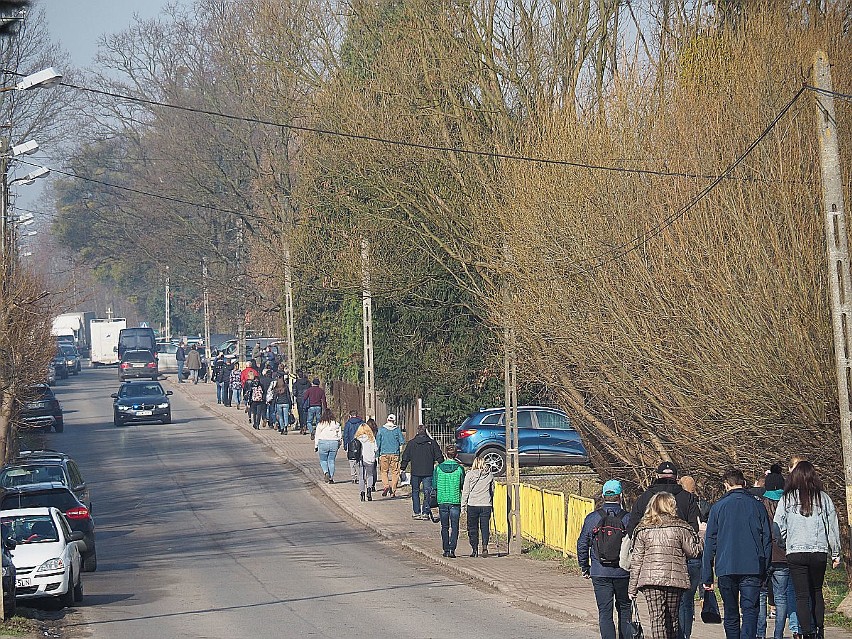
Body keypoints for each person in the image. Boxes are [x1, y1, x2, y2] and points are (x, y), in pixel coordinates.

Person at [702, 469, 772, 639]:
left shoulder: (718, 507)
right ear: (744, 483)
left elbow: (710, 541)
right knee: (750, 610)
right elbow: (767, 539)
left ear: (726, 484)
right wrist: (766, 569)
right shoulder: (757, 505)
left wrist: (707, 576)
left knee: (731, 611)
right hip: (752, 567)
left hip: (726, 566)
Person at [774, 461, 841, 639]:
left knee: (801, 595)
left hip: (795, 552)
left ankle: (806, 633)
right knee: (816, 590)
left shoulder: (787, 499)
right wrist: (835, 553)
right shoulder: (823, 498)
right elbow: (832, 527)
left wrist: (785, 542)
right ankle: (819, 629)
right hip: (818, 551)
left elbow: (777, 526)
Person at [629, 492, 703, 639]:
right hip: (675, 579)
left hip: (650, 580)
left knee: (657, 619)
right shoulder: (681, 527)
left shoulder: (643, 529)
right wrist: (701, 534)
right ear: (671, 506)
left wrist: (632, 588)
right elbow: (694, 552)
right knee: (672, 619)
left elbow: (636, 560)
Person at [578, 480, 633, 639]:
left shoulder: (592, 518)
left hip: (599, 572)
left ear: (603, 496)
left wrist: (585, 567)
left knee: (604, 612)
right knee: (625, 609)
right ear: (620, 496)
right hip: (623, 572)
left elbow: (582, 544)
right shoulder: (628, 519)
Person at [757, 466, 800, 639]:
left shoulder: (759, 504)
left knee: (761, 596)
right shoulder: (790, 503)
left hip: (764, 556)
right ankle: (778, 634)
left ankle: (760, 633)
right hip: (783, 556)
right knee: (781, 598)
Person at [628, 461, 700, 536]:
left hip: (650, 543)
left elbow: (633, 527)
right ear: (676, 477)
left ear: (657, 476)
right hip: (680, 542)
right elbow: (694, 526)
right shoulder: (687, 498)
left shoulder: (644, 497)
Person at [677, 475, 707, 639]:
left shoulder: (674, 501)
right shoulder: (700, 504)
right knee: (687, 601)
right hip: (695, 555)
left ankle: (680, 632)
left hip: (679, 556)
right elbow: (699, 529)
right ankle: (686, 634)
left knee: (679, 601)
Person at [401, 425, 444, 519]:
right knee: (427, 492)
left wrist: (403, 467)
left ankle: (416, 512)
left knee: (415, 491)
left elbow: (405, 456)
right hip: (428, 471)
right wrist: (441, 465)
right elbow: (439, 456)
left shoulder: (412, 443)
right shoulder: (432, 443)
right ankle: (426, 512)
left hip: (415, 471)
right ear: (425, 432)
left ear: (417, 432)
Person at [433, 443, 465, 558]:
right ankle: (452, 549)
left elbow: (434, 485)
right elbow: (462, 484)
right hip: (455, 499)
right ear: (456, 454)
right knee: (455, 526)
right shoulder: (460, 469)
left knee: (444, 527)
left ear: (446, 454)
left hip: (442, 499)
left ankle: (445, 548)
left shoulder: (438, 469)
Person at [461, 456, 494, 558]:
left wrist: (463, 505)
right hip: (486, 504)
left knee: (472, 528)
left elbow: (465, 491)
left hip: (473, 504)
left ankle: (474, 549)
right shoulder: (490, 475)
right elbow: (492, 490)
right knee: (485, 527)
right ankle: (484, 547)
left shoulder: (470, 475)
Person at [375, 414, 405, 498]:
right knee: (395, 472)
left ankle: (386, 485)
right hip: (395, 454)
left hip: (384, 454)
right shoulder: (397, 430)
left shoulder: (381, 430)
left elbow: (378, 443)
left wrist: (377, 455)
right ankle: (393, 490)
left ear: (387, 420)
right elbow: (402, 441)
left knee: (384, 471)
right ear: (394, 421)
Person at [314, 408, 341, 483]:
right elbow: (339, 435)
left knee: (323, 460)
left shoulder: (321, 424)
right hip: (334, 442)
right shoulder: (336, 424)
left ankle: (326, 472)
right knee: (331, 460)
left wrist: (316, 446)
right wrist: (339, 443)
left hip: (323, 442)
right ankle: (331, 478)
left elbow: (317, 435)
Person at [354, 422, 378, 501]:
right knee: (370, 475)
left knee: (361, 477)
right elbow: (376, 449)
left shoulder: (358, 438)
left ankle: (362, 494)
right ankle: (369, 490)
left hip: (361, 459)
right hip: (370, 459)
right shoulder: (372, 438)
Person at [342, 411, 365, 484]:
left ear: (350, 415)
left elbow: (345, 435)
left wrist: (345, 445)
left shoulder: (348, 424)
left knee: (352, 461)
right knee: (360, 461)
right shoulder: (361, 423)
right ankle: (361, 476)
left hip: (351, 444)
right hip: (361, 443)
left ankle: (353, 477)